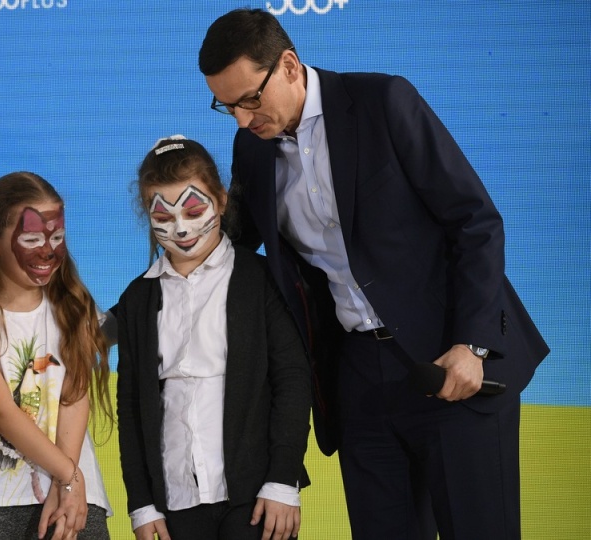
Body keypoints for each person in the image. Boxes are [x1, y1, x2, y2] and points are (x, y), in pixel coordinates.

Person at [197, 8, 550, 540]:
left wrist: (471, 344)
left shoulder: (384, 101)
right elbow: (236, 248)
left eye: (250, 100)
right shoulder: (252, 147)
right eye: (227, 108)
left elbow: (474, 221)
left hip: (449, 365)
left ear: (290, 66)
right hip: (358, 381)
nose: (244, 120)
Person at [115, 136, 312, 540]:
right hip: (174, 505)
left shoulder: (261, 279)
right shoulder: (137, 299)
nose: (181, 228)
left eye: (192, 208)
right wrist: (141, 504)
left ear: (221, 200)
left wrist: (282, 480)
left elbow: (292, 379)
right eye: (163, 216)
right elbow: (132, 406)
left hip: (256, 499)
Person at [0, 172, 113, 540]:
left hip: (76, 501)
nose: (48, 250)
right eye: (31, 239)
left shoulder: (73, 309)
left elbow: (75, 395)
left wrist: (69, 478)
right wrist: (68, 474)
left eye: (56, 237)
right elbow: (0, 409)